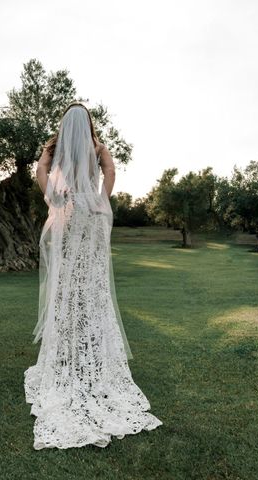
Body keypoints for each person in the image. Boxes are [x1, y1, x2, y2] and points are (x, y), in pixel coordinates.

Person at [24, 103, 163, 449]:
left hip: (68, 212)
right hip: (92, 217)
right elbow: (111, 172)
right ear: (87, 122)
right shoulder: (98, 147)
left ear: (64, 125)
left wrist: (47, 163)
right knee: (92, 286)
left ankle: (67, 359)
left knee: (66, 285)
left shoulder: (58, 152)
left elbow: (41, 175)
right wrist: (102, 199)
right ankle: (93, 359)